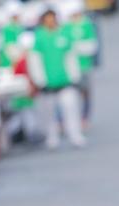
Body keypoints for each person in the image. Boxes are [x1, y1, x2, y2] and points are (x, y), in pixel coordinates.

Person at [28, 8, 85, 149]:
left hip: (65, 80)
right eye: (47, 18)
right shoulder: (39, 37)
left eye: (52, 18)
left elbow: (71, 56)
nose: (50, 21)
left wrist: (74, 75)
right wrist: (39, 79)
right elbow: (35, 60)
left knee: (70, 108)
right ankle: (52, 137)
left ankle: (75, 135)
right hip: (48, 83)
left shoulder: (63, 34)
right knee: (49, 112)